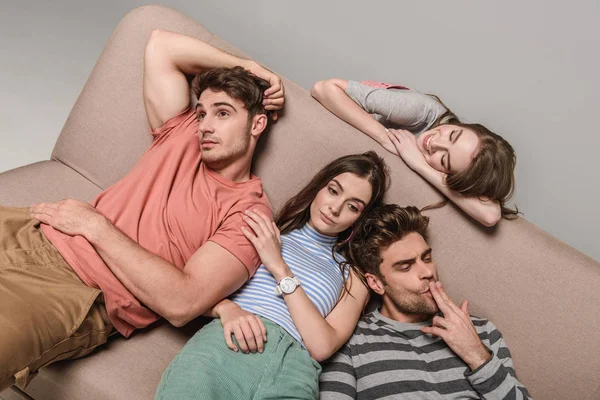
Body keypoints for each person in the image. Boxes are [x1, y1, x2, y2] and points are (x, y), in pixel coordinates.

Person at [0, 30, 285, 391]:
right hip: (31, 231)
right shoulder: (183, 133)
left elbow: (182, 303)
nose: (206, 126)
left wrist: (95, 226)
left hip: (79, 291)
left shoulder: (247, 214)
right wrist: (249, 66)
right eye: (202, 114)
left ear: (257, 123)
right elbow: (161, 45)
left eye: (223, 113)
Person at [155, 151, 389, 400]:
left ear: (360, 218)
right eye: (333, 191)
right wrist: (226, 309)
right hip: (225, 347)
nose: (335, 208)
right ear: (320, 186)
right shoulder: (264, 231)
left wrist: (279, 267)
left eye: (352, 206)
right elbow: (190, 288)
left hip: (293, 371)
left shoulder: (352, 276)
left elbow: (321, 345)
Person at [319, 204, 532, 399]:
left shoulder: (481, 332)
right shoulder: (351, 344)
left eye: (427, 258)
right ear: (376, 283)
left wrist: (476, 354)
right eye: (405, 266)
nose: (427, 272)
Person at [311, 79, 517, 227]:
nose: (435, 142)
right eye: (452, 134)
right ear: (465, 125)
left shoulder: (427, 161)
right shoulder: (421, 111)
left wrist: (417, 162)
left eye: (444, 159)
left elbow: (490, 215)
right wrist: (386, 138)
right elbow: (323, 88)